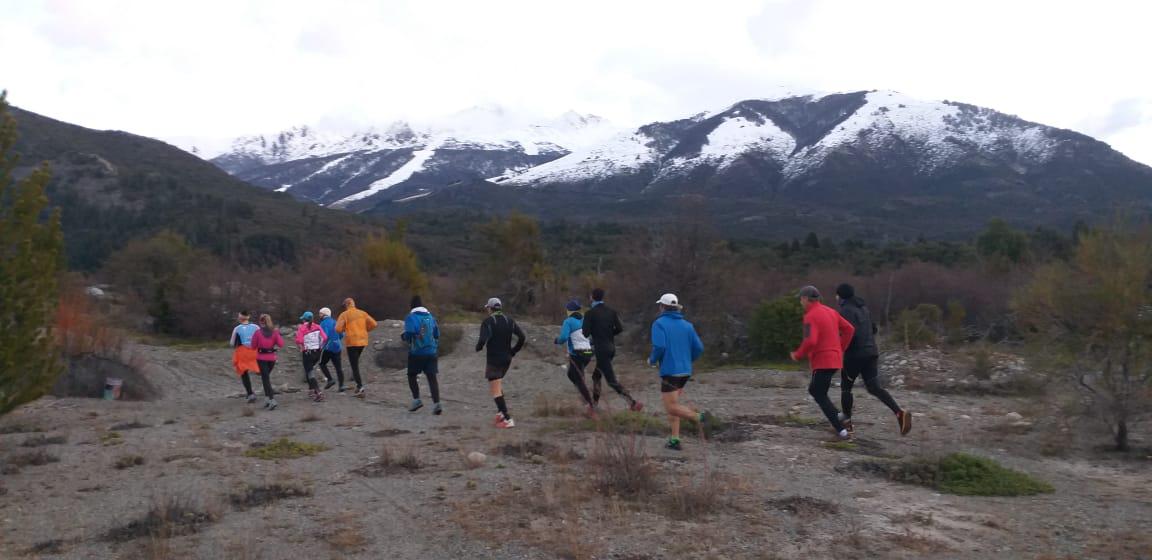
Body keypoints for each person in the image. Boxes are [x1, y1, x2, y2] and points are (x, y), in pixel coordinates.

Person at [835, 284, 912, 436]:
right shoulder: (864, 308)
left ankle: (847, 425)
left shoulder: (845, 311)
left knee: (846, 388)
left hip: (855, 355)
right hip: (871, 353)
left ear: (841, 296)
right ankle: (899, 414)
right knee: (874, 387)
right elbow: (874, 329)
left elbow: (848, 333)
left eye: (837, 295)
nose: (836, 298)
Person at [790, 286, 856, 441]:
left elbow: (810, 340)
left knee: (817, 393)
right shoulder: (831, 312)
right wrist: (840, 348)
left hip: (823, 361)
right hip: (835, 360)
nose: (800, 301)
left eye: (801, 299)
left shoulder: (810, 316)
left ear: (806, 299)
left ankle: (842, 430)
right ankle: (839, 418)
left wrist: (798, 355)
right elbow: (850, 329)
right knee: (817, 391)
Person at [649, 293, 709, 451]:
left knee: (671, 407)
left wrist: (652, 360)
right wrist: (688, 360)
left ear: (662, 307)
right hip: (685, 371)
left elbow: (659, 347)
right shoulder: (688, 325)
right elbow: (699, 348)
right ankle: (675, 440)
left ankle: (700, 417)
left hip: (670, 371)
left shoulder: (659, 324)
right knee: (674, 404)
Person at [582, 288, 643, 411]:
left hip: (601, 350)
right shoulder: (611, 311)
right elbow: (620, 329)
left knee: (611, 381)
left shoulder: (590, 313)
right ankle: (593, 405)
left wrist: (595, 337)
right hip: (611, 348)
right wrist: (608, 334)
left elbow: (585, 333)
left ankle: (633, 403)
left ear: (592, 297)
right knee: (596, 376)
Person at [476, 297, 525, 429]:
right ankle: (500, 413)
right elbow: (522, 337)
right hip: (507, 360)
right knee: (497, 385)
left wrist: (478, 347)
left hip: (494, 360)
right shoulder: (509, 321)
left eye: (488, 308)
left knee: (495, 390)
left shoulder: (488, 322)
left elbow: (482, 339)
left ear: (490, 308)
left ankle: (507, 419)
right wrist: (514, 351)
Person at [554, 299, 596, 416]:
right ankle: (586, 399)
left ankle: (590, 404)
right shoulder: (584, 320)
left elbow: (563, 337)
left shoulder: (568, 321)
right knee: (579, 374)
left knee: (573, 375)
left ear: (569, 311)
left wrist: (557, 340)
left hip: (577, 353)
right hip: (588, 353)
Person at [402, 296, 442, 415]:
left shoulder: (411, 317)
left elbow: (409, 333)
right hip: (432, 352)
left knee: (411, 375)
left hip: (417, 353)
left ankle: (417, 399)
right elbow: (437, 334)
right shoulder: (431, 317)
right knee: (432, 378)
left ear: (412, 306)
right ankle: (437, 404)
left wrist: (404, 337)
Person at [335, 297, 377, 399]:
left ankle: (360, 387)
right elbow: (374, 324)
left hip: (352, 342)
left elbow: (338, 329)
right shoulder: (362, 313)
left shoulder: (344, 315)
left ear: (346, 305)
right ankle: (358, 386)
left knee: (354, 366)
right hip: (362, 341)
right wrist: (365, 330)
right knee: (355, 363)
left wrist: (345, 330)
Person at [251, 314, 284, 410]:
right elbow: (281, 344)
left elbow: (253, 346)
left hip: (261, 358)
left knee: (265, 379)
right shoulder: (275, 332)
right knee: (266, 378)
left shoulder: (257, 333)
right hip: (272, 359)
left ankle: (272, 400)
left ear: (261, 322)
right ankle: (267, 399)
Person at [295, 311, 328, 403]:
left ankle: (318, 392)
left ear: (304, 319)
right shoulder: (317, 326)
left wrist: (301, 347)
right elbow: (325, 338)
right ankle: (311, 390)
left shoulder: (302, 328)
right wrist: (320, 346)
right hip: (317, 352)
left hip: (307, 352)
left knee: (309, 372)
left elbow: (298, 340)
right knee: (309, 370)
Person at [229, 311, 260, 404]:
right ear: (248, 317)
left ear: (240, 318)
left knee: (244, 373)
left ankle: (250, 394)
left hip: (243, 352)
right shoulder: (256, 327)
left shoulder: (237, 328)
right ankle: (268, 392)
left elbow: (232, 343)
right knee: (261, 370)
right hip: (255, 352)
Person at [317, 307, 345, 392]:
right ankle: (341, 386)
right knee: (338, 367)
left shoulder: (323, 323)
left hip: (327, 347)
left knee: (322, 363)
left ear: (324, 314)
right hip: (337, 347)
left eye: (320, 313)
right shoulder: (335, 322)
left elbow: (324, 336)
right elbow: (341, 334)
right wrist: (336, 339)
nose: (319, 315)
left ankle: (330, 380)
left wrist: (320, 346)